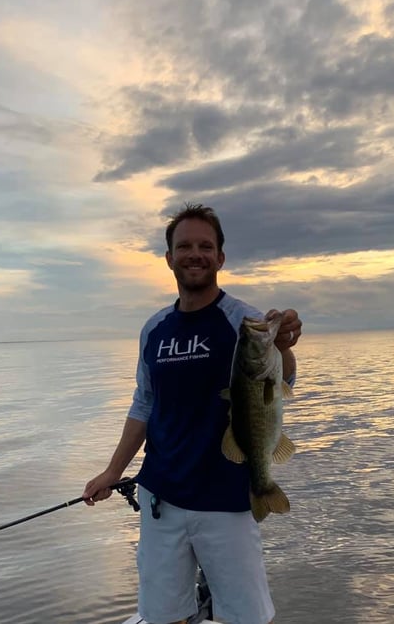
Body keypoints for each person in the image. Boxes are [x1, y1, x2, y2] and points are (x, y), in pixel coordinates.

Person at [83, 203, 302, 624]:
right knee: (164, 615)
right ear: (169, 258)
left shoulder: (244, 320)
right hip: (161, 496)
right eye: (184, 246)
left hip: (227, 499)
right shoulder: (155, 329)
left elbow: (280, 381)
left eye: (205, 246)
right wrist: (113, 471)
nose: (194, 254)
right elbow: (144, 403)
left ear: (221, 257)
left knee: (246, 616)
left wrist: (284, 348)